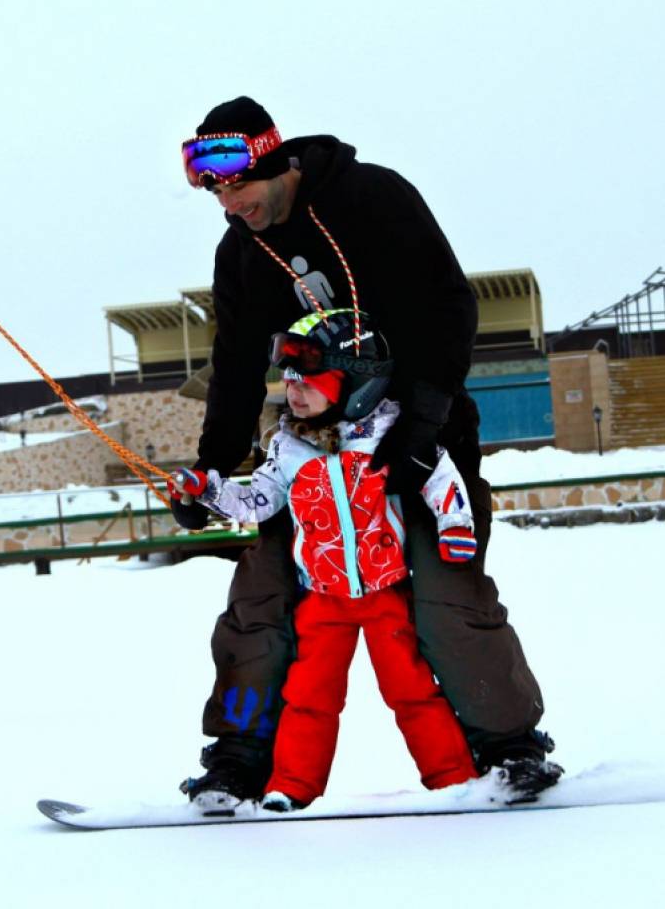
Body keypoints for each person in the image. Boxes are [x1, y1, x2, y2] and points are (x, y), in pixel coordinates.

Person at [175, 96, 558, 809]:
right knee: (260, 604)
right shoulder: (240, 253)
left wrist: (423, 426)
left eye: (239, 186)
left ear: (275, 161)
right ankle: (238, 759)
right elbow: (233, 368)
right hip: (308, 457)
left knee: (446, 596)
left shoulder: (372, 197)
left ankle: (510, 749)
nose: (231, 205)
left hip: (416, 432)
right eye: (217, 192)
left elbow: (448, 307)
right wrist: (214, 469)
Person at [171, 311, 479, 811]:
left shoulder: (389, 433)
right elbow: (259, 502)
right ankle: (291, 787)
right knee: (309, 697)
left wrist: (456, 526)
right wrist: (209, 491)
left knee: (412, 691)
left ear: (356, 383)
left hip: (385, 595)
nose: (293, 392)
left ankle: (454, 780)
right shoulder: (288, 447)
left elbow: (440, 478)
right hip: (323, 600)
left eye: (307, 381)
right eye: (289, 381)